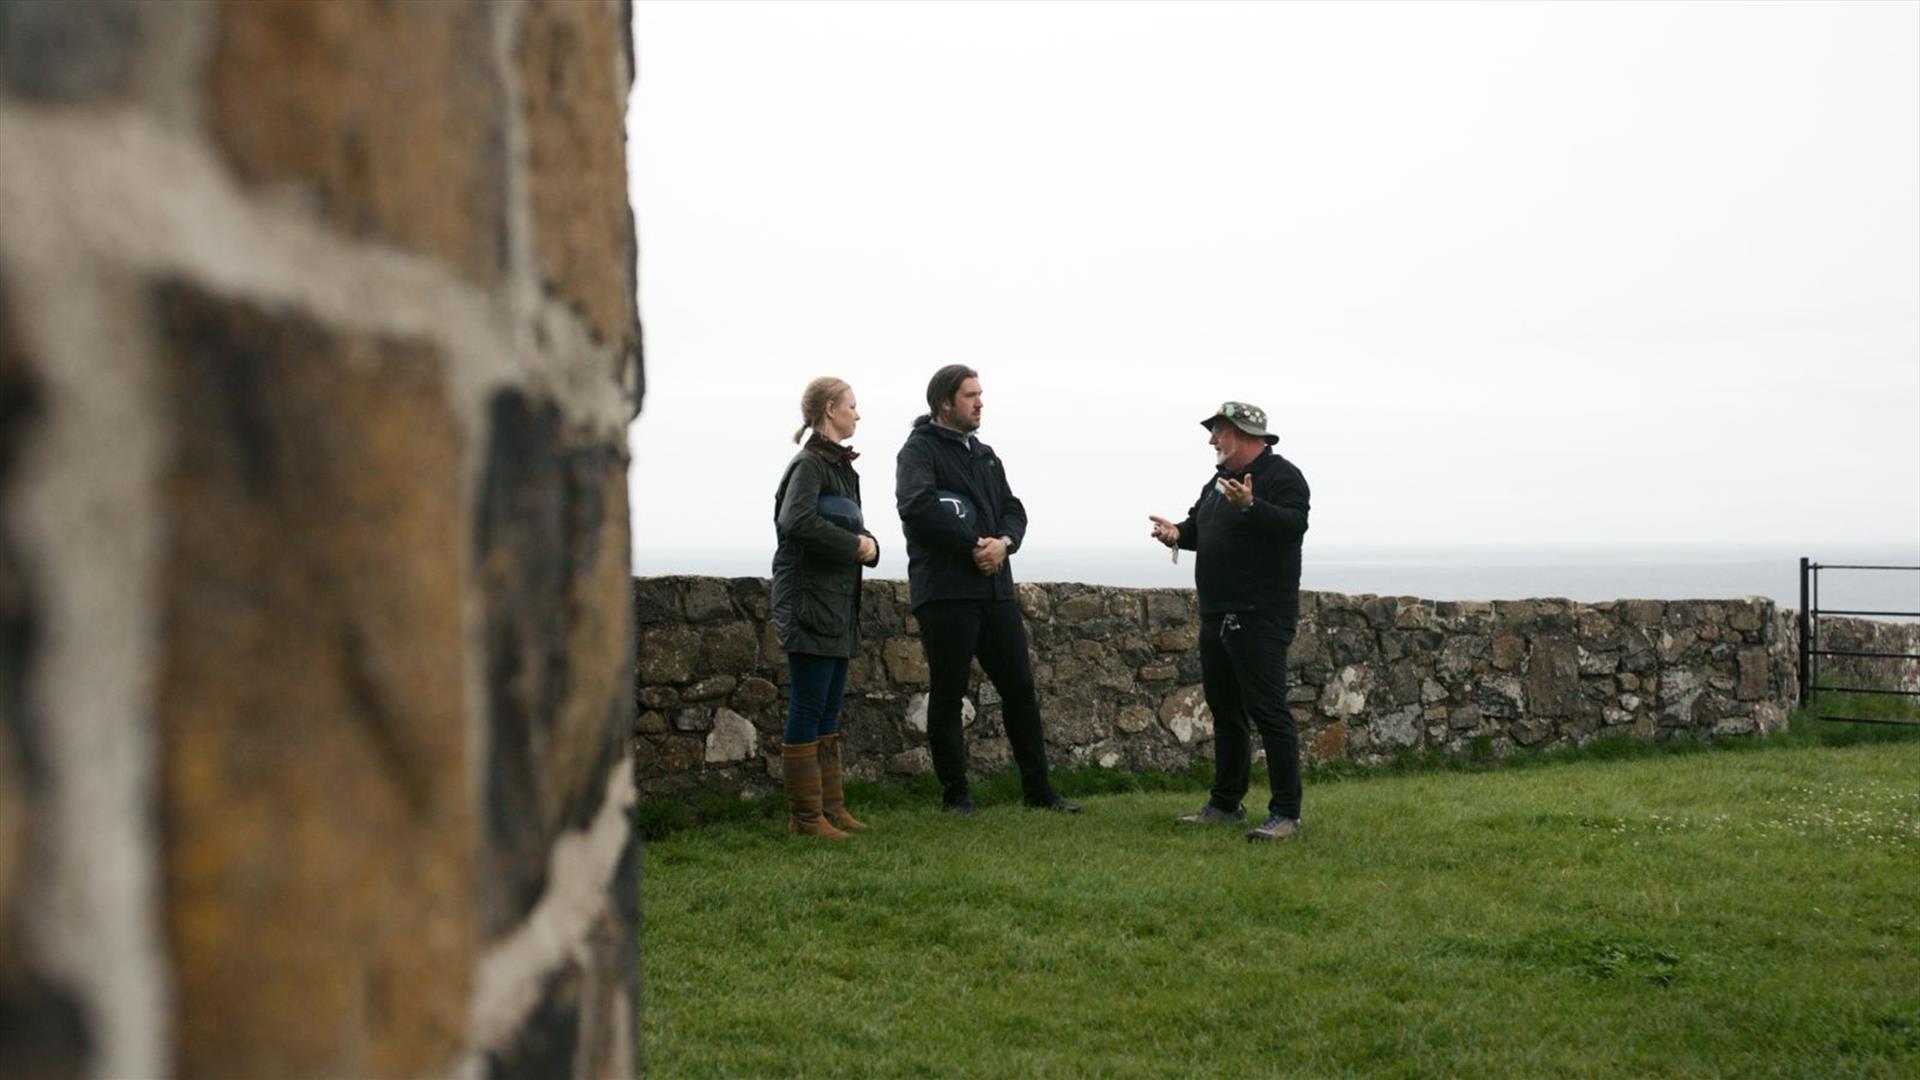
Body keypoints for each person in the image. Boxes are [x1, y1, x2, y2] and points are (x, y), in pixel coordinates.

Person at [895, 365, 1079, 816]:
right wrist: (972, 546)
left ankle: (1039, 792)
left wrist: (1004, 543)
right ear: (944, 403)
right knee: (948, 692)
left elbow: (1013, 509)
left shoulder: (986, 455)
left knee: (1019, 690)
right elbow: (916, 507)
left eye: (981, 394)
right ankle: (955, 797)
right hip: (946, 592)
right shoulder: (918, 451)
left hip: (995, 591)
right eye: (970, 395)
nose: (980, 403)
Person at [1149, 401, 1311, 842]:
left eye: (1218, 431)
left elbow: (1294, 524)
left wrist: (1252, 505)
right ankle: (1225, 804)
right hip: (1216, 615)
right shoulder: (1217, 483)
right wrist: (1177, 534)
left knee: (1269, 713)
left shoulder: (1283, 476)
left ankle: (1286, 815)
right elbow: (1201, 528)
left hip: (1259, 616)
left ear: (1242, 433)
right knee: (1226, 714)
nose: (1212, 440)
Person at [771, 377, 880, 840]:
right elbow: (794, 521)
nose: (858, 414)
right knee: (809, 705)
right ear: (831, 409)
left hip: (837, 605)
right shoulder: (810, 464)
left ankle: (832, 807)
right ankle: (805, 817)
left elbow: (850, 527)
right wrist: (853, 543)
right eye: (852, 406)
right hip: (809, 603)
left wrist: (870, 546)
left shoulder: (841, 468)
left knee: (830, 708)